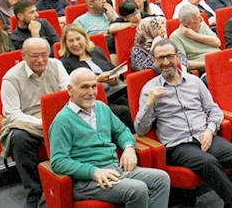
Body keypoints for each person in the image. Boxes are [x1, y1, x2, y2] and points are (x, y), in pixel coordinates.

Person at [135, 39, 232, 207]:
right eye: (160, 58)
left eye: (169, 56)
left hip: (204, 135)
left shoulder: (194, 82)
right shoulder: (149, 89)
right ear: (154, 61)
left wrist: (210, 131)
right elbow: (141, 129)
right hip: (178, 145)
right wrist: (150, 103)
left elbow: (214, 110)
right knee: (208, 162)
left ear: (177, 57)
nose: (166, 62)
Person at [49, 67, 170, 208]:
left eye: (94, 86)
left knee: (161, 179)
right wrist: (93, 172)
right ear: (70, 90)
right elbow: (58, 161)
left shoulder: (101, 107)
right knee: (137, 190)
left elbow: (122, 131)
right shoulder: (62, 121)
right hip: (89, 180)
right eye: (84, 87)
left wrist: (129, 148)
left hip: (115, 168)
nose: (90, 92)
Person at [0, 37, 68, 208]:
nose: (40, 60)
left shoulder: (56, 65)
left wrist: (56, 117)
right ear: (23, 55)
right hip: (27, 120)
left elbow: (67, 93)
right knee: (19, 138)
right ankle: (34, 193)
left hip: (56, 112)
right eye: (34, 56)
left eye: (44, 55)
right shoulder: (11, 78)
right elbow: (11, 113)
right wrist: (40, 123)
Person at [57, 25, 131, 129]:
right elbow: (73, 89)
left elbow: (112, 69)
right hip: (93, 100)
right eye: (71, 41)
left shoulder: (96, 51)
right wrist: (97, 80)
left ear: (85, 38)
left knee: (132, 102)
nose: (75, 44)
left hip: (115, 91)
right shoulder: (65, 63)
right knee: (123, 110)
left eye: (78, 39)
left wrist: (115, 74)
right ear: (65, 44)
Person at [170, 4, 221, 72]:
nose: (202, 19)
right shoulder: (175, 37)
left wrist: (194, 35)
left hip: (221, 60)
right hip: (207, 69)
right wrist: (207, 64)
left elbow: (217, 43)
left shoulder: (201, 24)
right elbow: (183, 62)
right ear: (188, 23)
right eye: (197, 18)